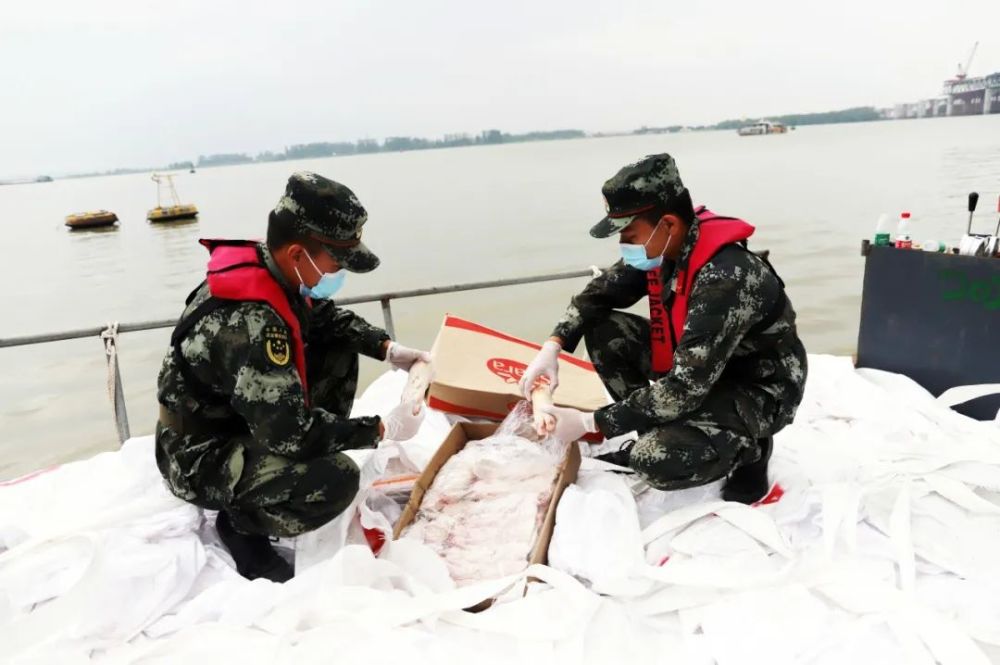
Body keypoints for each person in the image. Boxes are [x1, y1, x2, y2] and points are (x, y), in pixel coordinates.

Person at [155, 171, 429, 582]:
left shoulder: (275, 272)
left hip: (235, 420)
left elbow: (329, 320)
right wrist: (379, 428)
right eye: (336, 261)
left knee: (339, 346)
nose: (339, 273)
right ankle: (244, 526)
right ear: (299, 254)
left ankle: (279, 471)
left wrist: (386, 348)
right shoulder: (255, 321)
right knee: (338, 481)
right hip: (196, 455)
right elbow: (289, 435)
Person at [520, 154, 807, 504]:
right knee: (604, 329)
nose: (624, 244)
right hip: (701, 370)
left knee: (652, 461)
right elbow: (597, 295)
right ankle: (656, 430)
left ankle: (751, 449)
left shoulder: (725, 278)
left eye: (629, 233)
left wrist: (591, 423)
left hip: (756, 385)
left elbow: (685, 387)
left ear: (668, 224)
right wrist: (553, 346)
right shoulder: (665, 245)